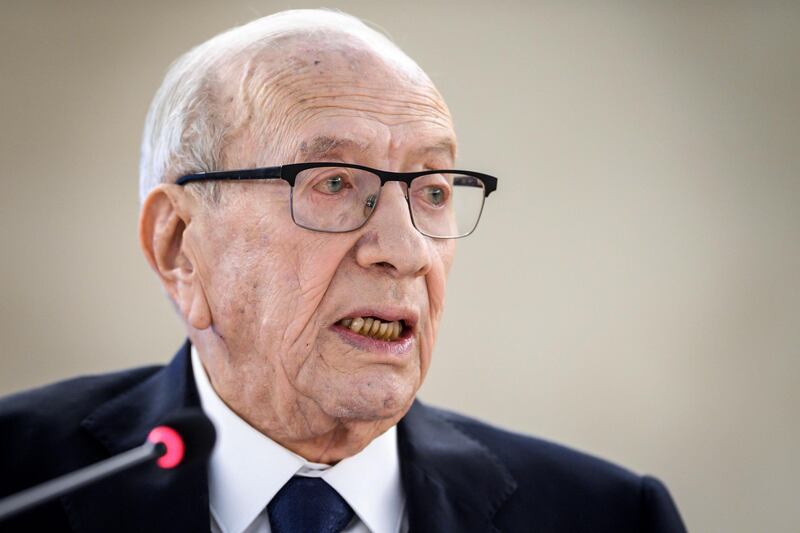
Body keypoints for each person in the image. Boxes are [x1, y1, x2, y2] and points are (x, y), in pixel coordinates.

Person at [0, 9, 687, 533]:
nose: (405, 248)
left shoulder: (608, 516)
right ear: (180, 244)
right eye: (332, 182)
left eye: (434, 190)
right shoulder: (23, 479)